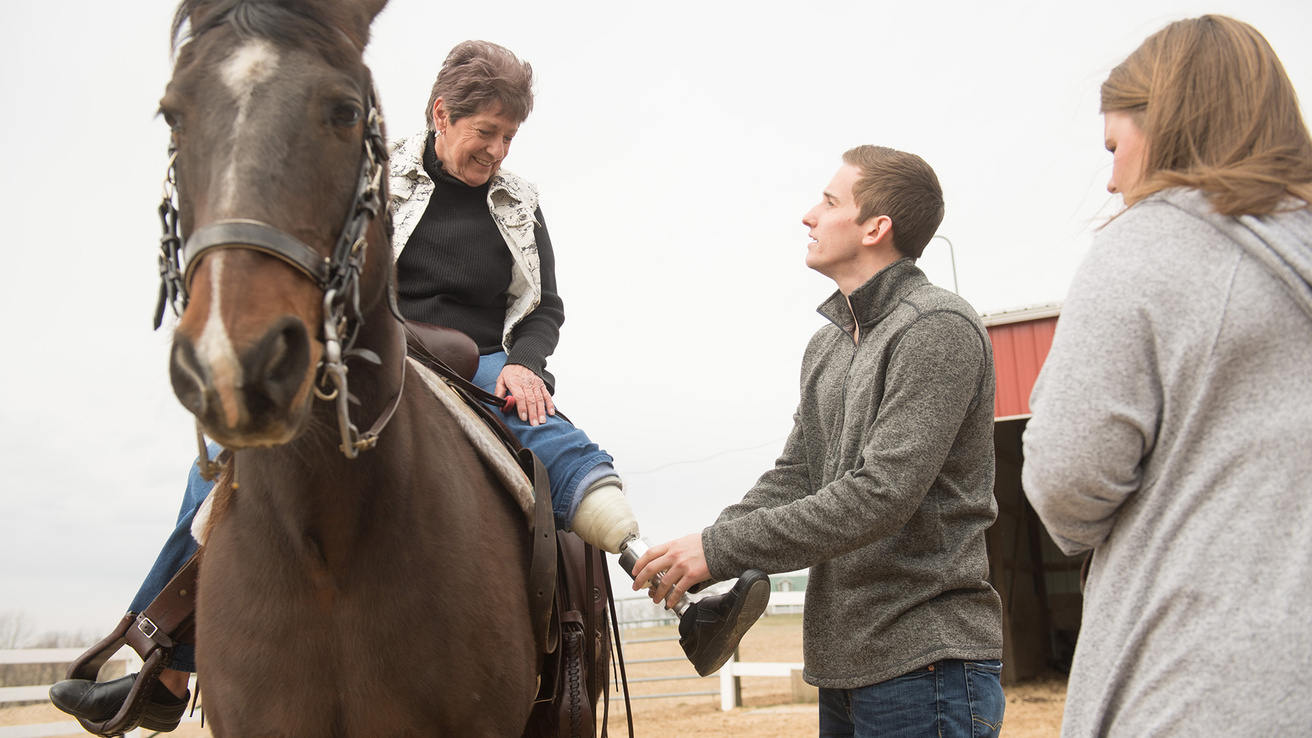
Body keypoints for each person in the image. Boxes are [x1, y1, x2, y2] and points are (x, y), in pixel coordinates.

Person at [50, 40, 766, 732]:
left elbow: (543, 304)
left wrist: (526, 364)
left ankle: (680, 602)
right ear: (440, 115)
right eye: (487, 133)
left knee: (561, 444)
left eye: (511, 137)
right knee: (228, 461)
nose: (498, 152)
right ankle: (162, 665)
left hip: (482, 358)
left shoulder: (520, 201)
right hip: (379, 350)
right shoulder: (375, 179)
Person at [633, 146, 1005, 737]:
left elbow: (880, 495)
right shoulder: (827, 346)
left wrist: (720, 548)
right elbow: (797, 475)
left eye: (829, 201)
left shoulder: (938, 328)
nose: (809, 215)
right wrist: (699, 558)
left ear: (875, 228)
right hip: (845, 669)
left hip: (926, 665)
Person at [1021, 15, 1312, 737]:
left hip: (1197, 685)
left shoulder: (1151, 245)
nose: (1115, 179)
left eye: (1116, 146)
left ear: (1171, 123)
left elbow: (1065, 480)